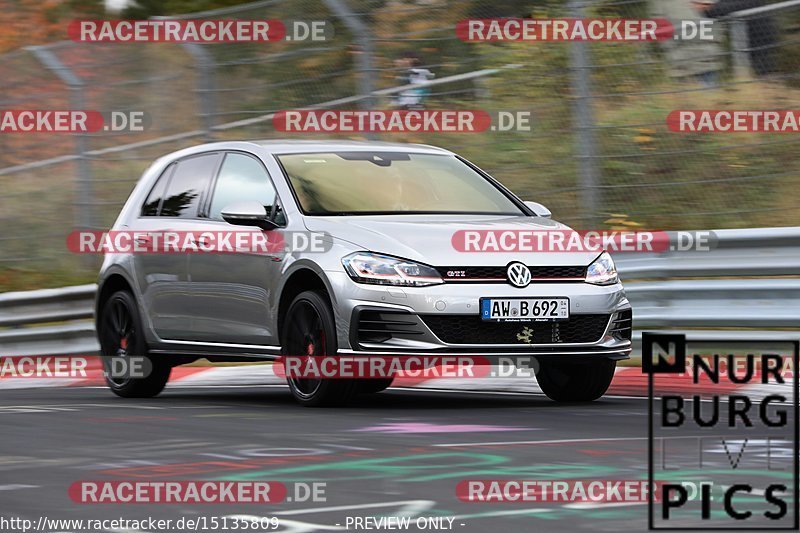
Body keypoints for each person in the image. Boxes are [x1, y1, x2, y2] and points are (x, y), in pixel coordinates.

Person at [693, 0, 778, 76]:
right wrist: (708, 8)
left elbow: (741, 5)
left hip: (759, 38)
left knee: (763, 72)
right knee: (749, 73)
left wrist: (710, 8)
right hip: (746, 39)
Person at [651, 0, 725, 86]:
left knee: (704, 91)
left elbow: (715, 10)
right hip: (681, 56)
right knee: (692, 92)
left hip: (703, 54)